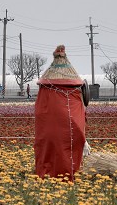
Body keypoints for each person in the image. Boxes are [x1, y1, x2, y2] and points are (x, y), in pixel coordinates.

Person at [34, 44, 89, 180]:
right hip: (55, 127)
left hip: (52, 127)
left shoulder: (48, 91)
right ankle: (66, 173)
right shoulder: (72, 92)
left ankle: (51, 173)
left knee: (55, 146)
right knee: (58, 145)